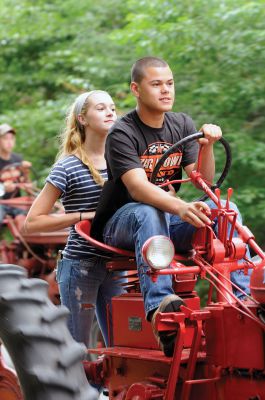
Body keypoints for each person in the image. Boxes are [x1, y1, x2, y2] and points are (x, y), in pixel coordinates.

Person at [91, 57, 251, 357]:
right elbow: (138, 189)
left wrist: (207, 146)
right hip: (122, 223)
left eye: (170, 83)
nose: (166, 90)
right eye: (156, 84)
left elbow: (202, 179)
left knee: (225, 212)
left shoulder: (181, 124)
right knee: (147, 211)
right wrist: (179, 207)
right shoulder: (123, 132)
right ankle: (160, 308)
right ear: (136, 89)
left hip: (166, 220)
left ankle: (242, 300)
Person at [24, 90, 125, 354]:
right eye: (101, 108)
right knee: (77, 352)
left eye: (112, 108)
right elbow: (32, 223)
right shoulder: (67, 167)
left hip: (118, 264)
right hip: (81, 267)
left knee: (124, 349)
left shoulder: (125, 161)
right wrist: (84, 217)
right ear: (83, 118)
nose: (110, 113)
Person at [0, 123, 32, 228]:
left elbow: (27, 184)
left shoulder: (18, 159)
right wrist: (4, 188)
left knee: (35, 216)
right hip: (1, 204)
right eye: (5, 139)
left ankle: (30, 242)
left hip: (17, 203)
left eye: (12, 138)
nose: (9, 142)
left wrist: (26, 173)